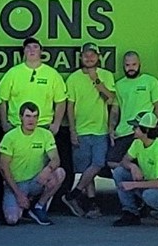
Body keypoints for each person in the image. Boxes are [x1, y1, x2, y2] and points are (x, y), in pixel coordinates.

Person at [62, 43, 116, 218]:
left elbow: (111, 98)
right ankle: (92, 204)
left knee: (98, 164)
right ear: (81, 57)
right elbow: (70, 106)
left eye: (93, 55)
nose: (89, 58)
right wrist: (72, 130)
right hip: (81, 130)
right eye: (86, 55)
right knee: (86, 169)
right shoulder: (73, 78)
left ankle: (73, 195)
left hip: (100, 130)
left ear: (98, 57)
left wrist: (96, 80)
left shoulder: (106, 75)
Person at [0, 102, 65, 226]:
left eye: (35, 116)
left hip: (36, 181)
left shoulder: (46, 135)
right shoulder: (10, 137)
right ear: (20, 117)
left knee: (59, 173)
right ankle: (23, 205)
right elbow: (3, 168)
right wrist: (18, 194)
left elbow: (56, 159)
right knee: (12, 219)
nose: (32, 120)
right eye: (28, 116)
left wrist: (48, 169)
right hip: (16, 185)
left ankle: (39, 207)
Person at [112, 112, 158, 228]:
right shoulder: (137, 142)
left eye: (135, 127)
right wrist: (133, 166)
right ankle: (131, 213)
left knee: (149, 194)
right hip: (148, 184)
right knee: (119, 172)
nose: (133, 129)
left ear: (146, 130)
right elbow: (124, 161)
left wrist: (133, 185)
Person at [0, 37, 67, 134]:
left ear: (41, 51)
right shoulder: (13, 73)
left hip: (43, 126)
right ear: (24, 51)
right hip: (17, 125)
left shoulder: (52, 74)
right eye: (28, 47)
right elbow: (2, 99)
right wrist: (4, 123)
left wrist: (56, 124)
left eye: (35, 47)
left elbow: (61, 101)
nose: (32, 50)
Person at [108, 51, 158, 170]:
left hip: (143, 133)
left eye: (134, 64)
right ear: (123, 66)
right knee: (110, 162)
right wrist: (111, 128)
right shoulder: (119, 85)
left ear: (139, 64)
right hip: (123, 132)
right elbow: (115, 110)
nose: (131, 68)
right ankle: (132, 172)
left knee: (148, 166)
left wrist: (152, 128)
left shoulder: (151, 81)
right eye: (127, 65)